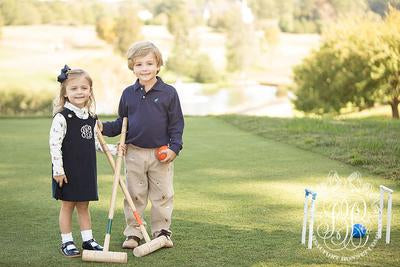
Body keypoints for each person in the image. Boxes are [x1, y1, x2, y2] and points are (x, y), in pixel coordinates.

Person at [98, 41, 184, 249]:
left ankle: (161, 232)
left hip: (160, 154)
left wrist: (174, 147)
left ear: (158, 65)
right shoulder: (128, 93)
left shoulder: (168, 93)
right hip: (134, 152)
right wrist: (103, 127)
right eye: (139, 64)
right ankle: (134, 232)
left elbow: (176, 123)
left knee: (162, 194)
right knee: (134, 195)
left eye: (149, 63)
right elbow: (122, 122)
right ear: (132, 67)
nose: (144, 68)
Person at [50, 65, 104, 257]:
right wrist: (58, 170)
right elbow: (54, 145)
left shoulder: (91, 117)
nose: (79, 92)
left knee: (83, 205)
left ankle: (88, 240)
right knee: (68, 205)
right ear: (65, 93)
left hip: (86, 170)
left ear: (90, 91)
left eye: (84, 88)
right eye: (74, 88)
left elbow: (97, 144)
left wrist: (115, 150)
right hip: (67, 171)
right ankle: (67, 241)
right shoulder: (62, 117)